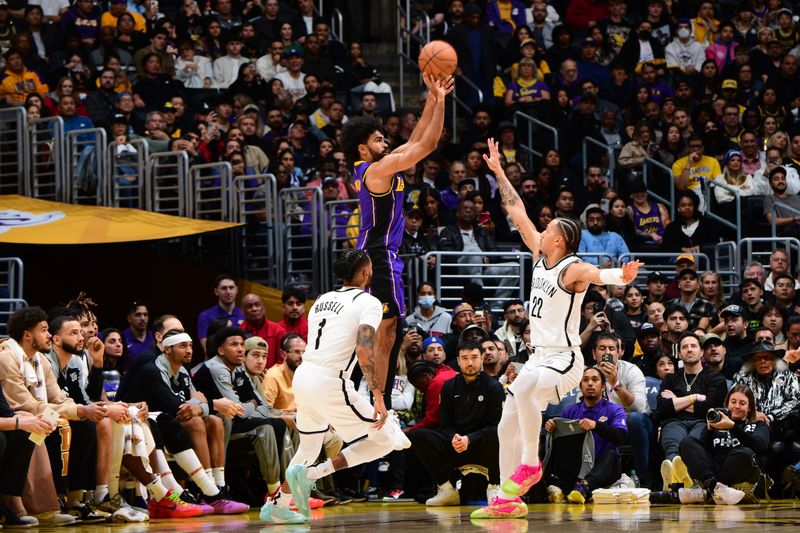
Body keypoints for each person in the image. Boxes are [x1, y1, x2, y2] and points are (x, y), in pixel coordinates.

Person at [471, 138, 640, 520]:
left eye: (546, 229)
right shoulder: (540, 254)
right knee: (506, 422)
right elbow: (517, 211)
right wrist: (498, 172)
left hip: (565, 359)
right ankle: (505, 497)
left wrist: (621, 276)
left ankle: (531, 463)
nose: (540, 230)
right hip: (537, 357)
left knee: (528, 389)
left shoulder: (571, 267)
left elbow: (599, 274)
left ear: (560, 239)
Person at [261, 250, 410, 524]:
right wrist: (378, 395)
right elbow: (364, 350)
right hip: (331, 380)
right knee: (388, 439)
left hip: (304, 376)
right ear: (366, 274)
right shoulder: (369, 302)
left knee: (308, 448)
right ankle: (311, 476)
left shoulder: (321, 299)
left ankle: (278, 506)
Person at [341, 73, 453, 410]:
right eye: (378, 139)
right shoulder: (375, 170)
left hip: (380, 256)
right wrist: (442, 102)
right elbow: (427, 145)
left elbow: (416, 139)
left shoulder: (381, 167)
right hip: (376, 257)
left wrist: (433, 99)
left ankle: (380, 399)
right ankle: (372, 397)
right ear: (363, 148)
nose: (385, 143)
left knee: (389, 334)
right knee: (381, 333)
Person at [408, 340, 504, 507]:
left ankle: (494, 486)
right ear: (458, 361)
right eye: (465, 358)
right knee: (418, 435)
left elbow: (495, 426)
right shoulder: (449, 387)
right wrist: (454, 437)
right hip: (457, 445)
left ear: (481, 358)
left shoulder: (494, 387)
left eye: (474, 357)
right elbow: (445, 424)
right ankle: (447, 488)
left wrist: (470, 439)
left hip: (484, 446)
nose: (470, 363)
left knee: (498, 433)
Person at [543, 367, 628, 504]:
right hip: (577, 466)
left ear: (602, 387)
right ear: (580, 387)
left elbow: (621, 437)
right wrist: (552, 428)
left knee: (611, 455)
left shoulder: (614, 409)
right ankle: (561, 486)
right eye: (585, 380)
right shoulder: (570, 411)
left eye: (595, 380)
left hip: (604, 467)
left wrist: (597, 426)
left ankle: (584, 487)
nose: (590, 383)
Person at [672, 384, 768, 505]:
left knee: (746, 453)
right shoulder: (715, 421)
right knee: (687, 442)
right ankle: (714, 488)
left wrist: (733, 427)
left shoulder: (758, 425)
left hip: (737, 469)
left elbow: (760, 447)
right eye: (733, 402)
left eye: (742, 403)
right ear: (727, 403)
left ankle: (703, 492)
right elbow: (701, 451)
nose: (737, 406)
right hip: (711, 471)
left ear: (750, 407)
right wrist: (709, 428)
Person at [658, 332, 728, 491]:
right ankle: (676, 482)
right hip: (674, 422)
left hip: (703, 422)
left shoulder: (715, 378)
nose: (689, 350)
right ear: (680, 354)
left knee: (690, 445)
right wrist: (694, 397)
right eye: (685, 347)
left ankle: (683, 483)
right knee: (673, 447)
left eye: (693, 346)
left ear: (701, 352)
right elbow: (663, 408)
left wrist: (677, 400)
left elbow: (710, 407)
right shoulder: (670, 379)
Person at [196, 274, 244, 352]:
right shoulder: (205, 316)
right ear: (216, 291)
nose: (228, 292)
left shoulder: (244, 315)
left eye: (231, 288)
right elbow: (207, 350)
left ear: (236, 290)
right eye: (224, 288)